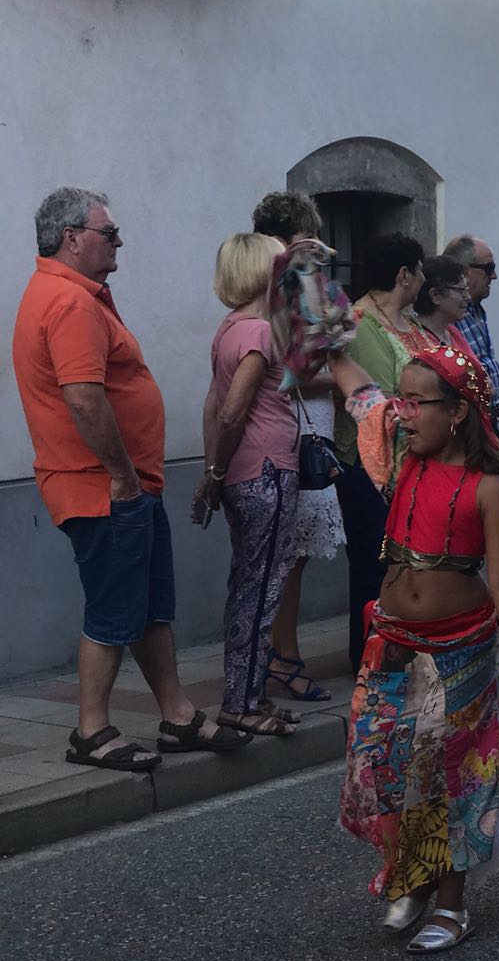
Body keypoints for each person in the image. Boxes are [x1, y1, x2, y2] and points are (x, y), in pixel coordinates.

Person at [12, 186, 249, 770]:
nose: (119, 243)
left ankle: (177, 716)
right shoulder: (69, 303)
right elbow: (85, 399)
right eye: (109, 233)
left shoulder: (72, 294)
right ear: (72, 239)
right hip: (103, 487)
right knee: (114, 611)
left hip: (125, 484)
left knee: (147, 607)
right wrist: (120, 475)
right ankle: (91, 732)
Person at [328, 342, 499, 953]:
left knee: (448, 778)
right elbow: (355, 387)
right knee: (383, 766)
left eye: (418, 403)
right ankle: (409, 873)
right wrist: (321, 325)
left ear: (458, 413)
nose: (404, 413)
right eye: (403, 400)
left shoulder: (489, 493)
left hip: (460, 651)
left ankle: (451, 903)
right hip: (389, 642)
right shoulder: (397, 458)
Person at [193, 233, 302, 737]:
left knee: (249, 588)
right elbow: (233, 408)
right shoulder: (259, 331)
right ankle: (242, 704)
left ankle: (248, 695)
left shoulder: (229, 328)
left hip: (243, 473)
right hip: (267, 471)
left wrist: (213, 473)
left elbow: (214, 408)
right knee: (261, 591)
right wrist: (214, 473)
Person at [250, 192, 342, 703]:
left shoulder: (284, 283)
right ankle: (280, 658)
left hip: (308, 422)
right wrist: (345, 381)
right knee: (287, 555)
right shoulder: (278, 286)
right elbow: (295, 372)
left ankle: (277, 655)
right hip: (295, 423)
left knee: (293, 554)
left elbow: (329, 339)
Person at [333, 233, 430, 673]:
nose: (425, 277)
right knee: (374, 563)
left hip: (417, 462)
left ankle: (404, 647)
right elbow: (377, 398)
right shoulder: (360, 322)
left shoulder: (411, 322)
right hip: (373, 466)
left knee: (411, 562)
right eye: (420, 268)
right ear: (403, 274)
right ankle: (370, 655)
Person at [442, 234, 499, 420]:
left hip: (487, 416)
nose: (494, 276)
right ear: (465, 271)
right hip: (469, 418)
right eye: (488, 268)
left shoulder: (476, 309)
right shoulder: (449, 313)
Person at [413, 255, 473, 352]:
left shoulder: (453, 333)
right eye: (461, 290)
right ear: (435, 295)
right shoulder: (416, 342)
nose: (468, 297)